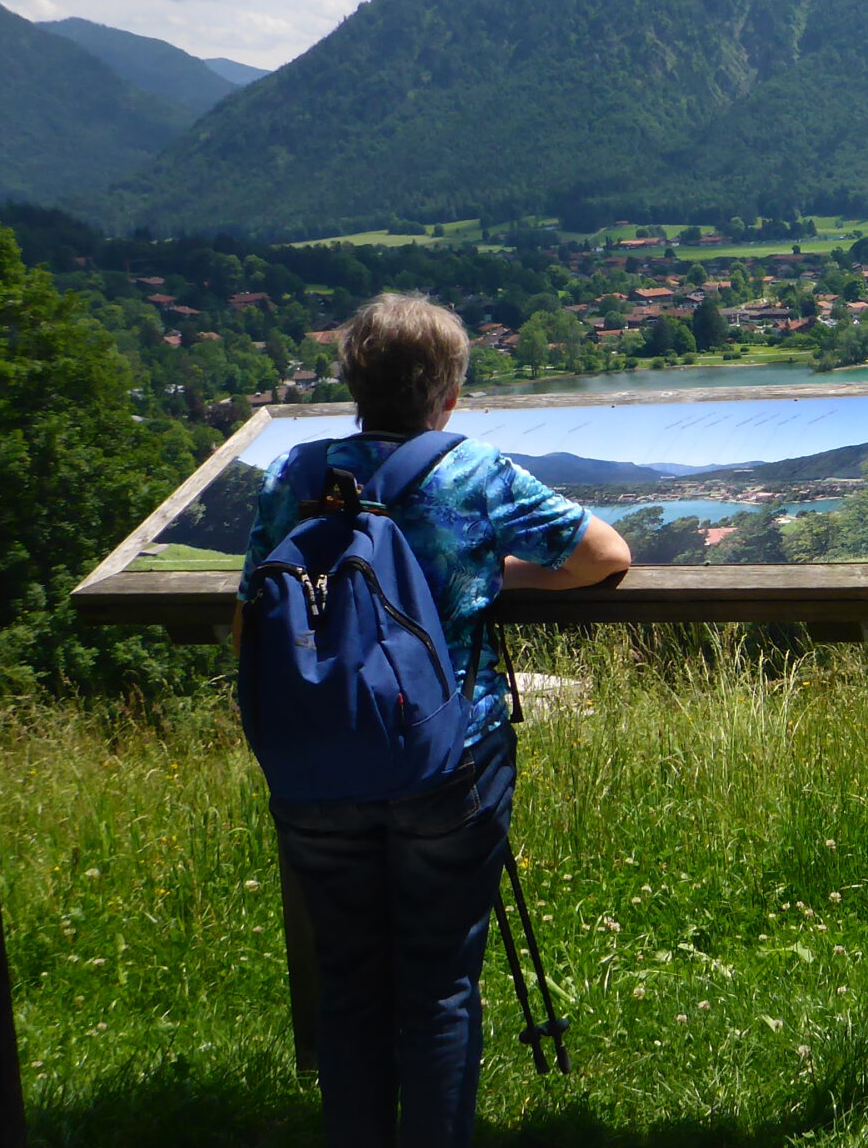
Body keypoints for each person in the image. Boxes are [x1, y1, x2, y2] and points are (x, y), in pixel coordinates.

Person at [240, 292, 631, 1146]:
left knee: (347, 980)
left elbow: (252, 605)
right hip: (449, 757)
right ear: (447, 393)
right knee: (438, 983)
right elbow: (606, 556)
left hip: (313, 759)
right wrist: (494, 577)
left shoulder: (293, 475)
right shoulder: (466, 470)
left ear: (351, 381)